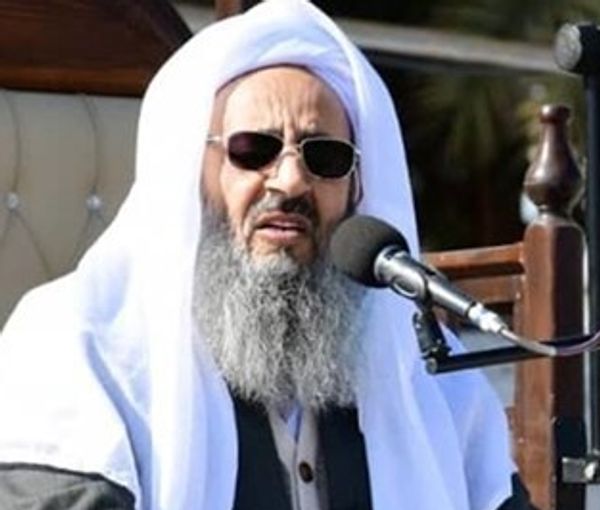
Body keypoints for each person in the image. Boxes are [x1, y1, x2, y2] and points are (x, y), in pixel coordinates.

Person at [0, 1, 534, 509]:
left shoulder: (422, 373)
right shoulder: (76, 343)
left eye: (325, 157)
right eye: (254, 149)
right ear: (189, 173)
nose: (292, 179)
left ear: (357, 189)